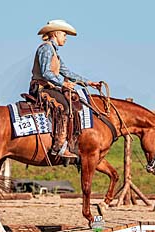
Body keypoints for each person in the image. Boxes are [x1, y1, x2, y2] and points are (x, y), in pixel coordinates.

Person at [29, 19, 101, 159]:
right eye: (64, 35)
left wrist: (88, 82)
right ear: (55, 34)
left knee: (72, 101)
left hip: (49, 87)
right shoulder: (46, 49)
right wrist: (63, 84)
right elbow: (46, 73)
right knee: (65, 106)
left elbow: (67, 72)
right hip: (41, 88)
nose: (66, 38)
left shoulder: (54, 52)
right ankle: (58, 146)